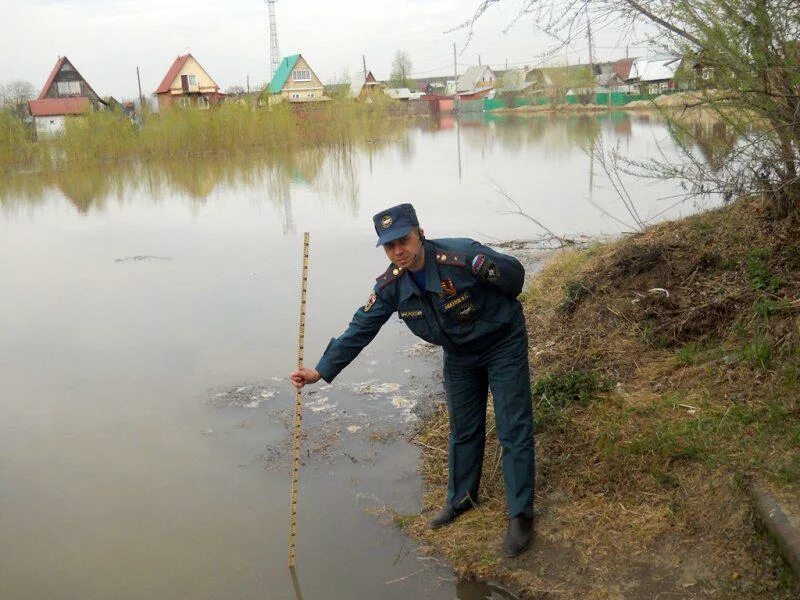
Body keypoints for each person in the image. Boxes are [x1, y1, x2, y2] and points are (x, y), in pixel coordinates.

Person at [290, 203, 535, 557]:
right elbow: (361, 327)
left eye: (402, 240)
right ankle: (462, 499)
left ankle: (521, 515)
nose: (397, 251)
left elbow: (514, 280)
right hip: (459, 354)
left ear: (420, 233)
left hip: (501, 341)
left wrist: (491, 280)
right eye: (389, 246)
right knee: (463, 430)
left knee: (513, 427)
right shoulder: (391, 285)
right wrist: (320, 370)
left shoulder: (462, 256)